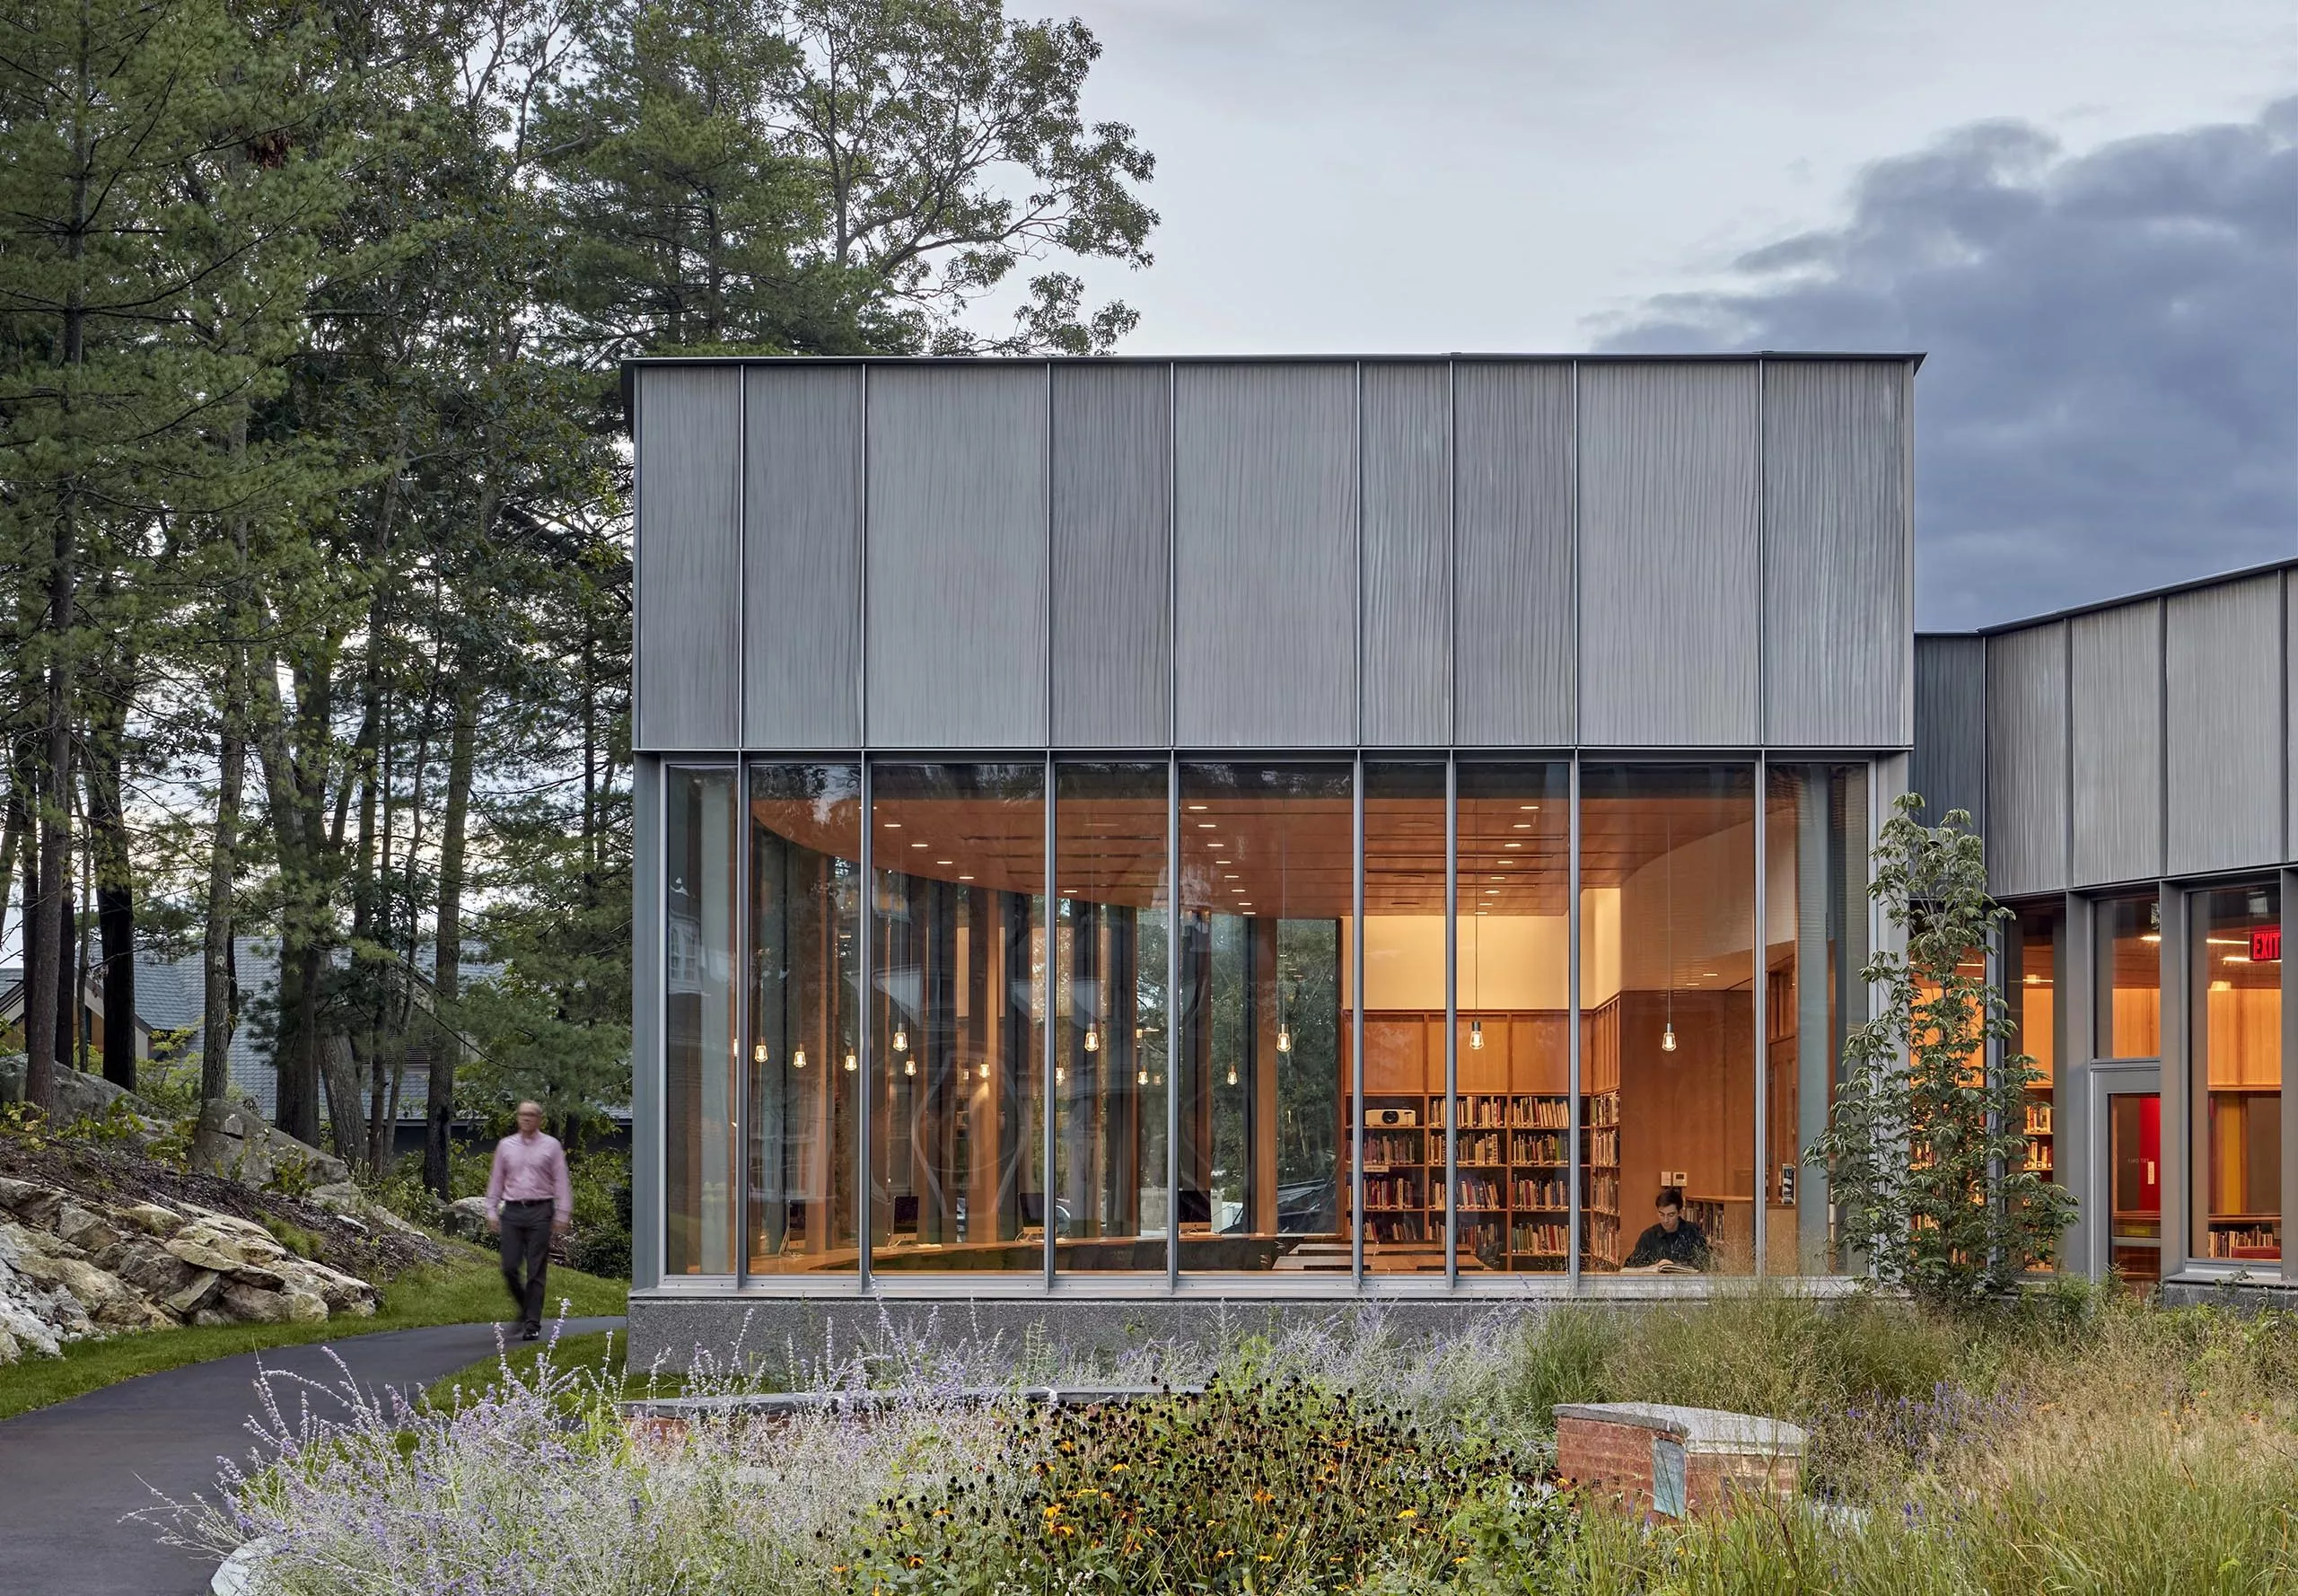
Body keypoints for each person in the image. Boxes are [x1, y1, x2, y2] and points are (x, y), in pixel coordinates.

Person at [486, 1101, 572, 1340]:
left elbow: (561, 1180)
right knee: (509, 1267)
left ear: (539, 1119)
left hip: (541, 1211)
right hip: (512, 1210)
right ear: (517, 1118)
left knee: (536, 1269)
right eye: (523, 1115)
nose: (526, 1119)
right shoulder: (506, 1146)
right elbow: (497, 1178)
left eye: (531, 1115)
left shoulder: (551, 1146)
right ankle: (525, 1307)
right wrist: (491, 1210)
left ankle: (532, 1323)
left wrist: (563, 1213)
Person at [1623, 1187, 1710, 1272]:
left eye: (1671, 1215)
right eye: (1661, 1214)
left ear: (1679, 1212)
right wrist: (1654, 1266)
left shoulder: (1693, 1232)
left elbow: (1705, 1263)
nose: (1665, 1220)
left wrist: (1676, 1265)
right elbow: (1632, 1265)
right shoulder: (1649, 1236)